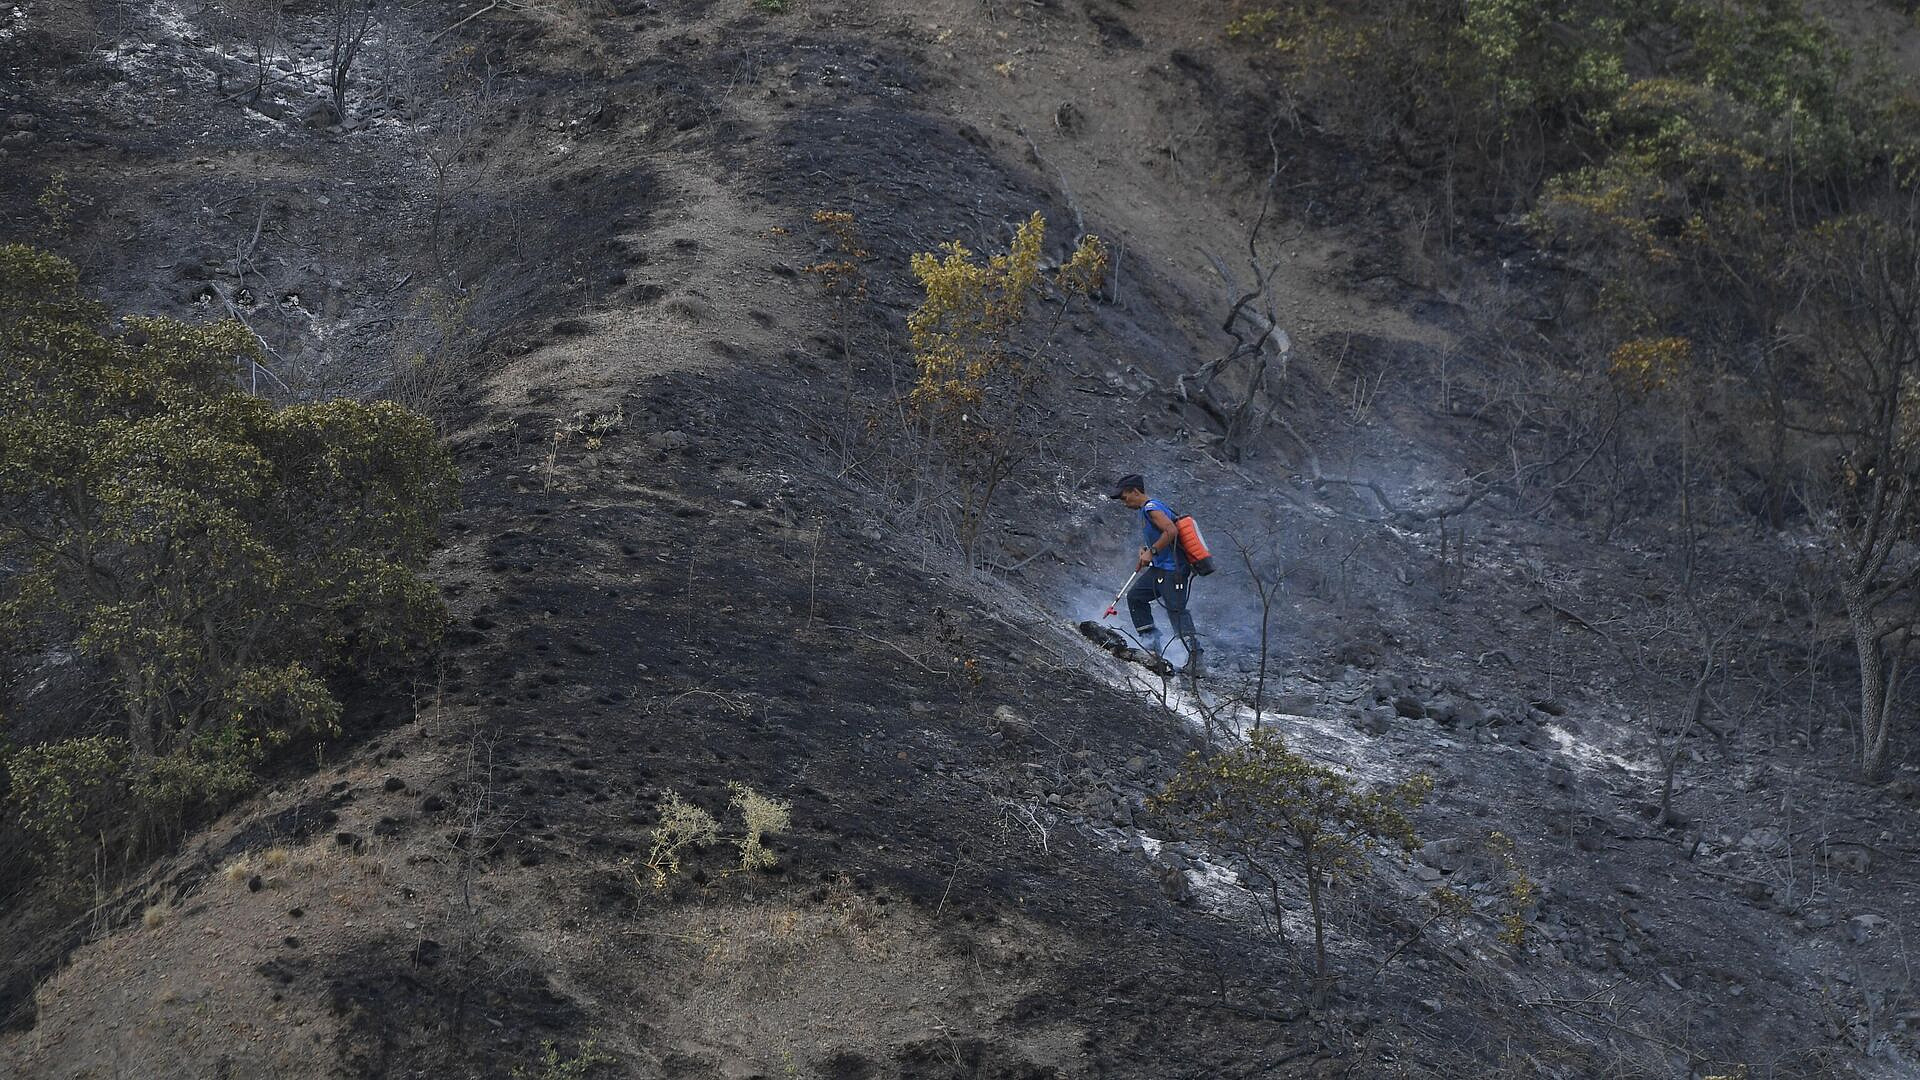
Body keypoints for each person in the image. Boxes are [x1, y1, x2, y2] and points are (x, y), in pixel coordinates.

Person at [1109, 473, 1203, 674]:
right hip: (1159, 569)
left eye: (1125, 497)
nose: (1124, 503)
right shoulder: (1147, 510)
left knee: (1176, 611)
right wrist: (1146, 549)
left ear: (1135, 491)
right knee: (1136, 597)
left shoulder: (1152, 508)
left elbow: (1171, 531)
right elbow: (1161, 536)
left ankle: (1196, 660)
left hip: (1173, 570)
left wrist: (1152, 552)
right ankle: (1152, 647)